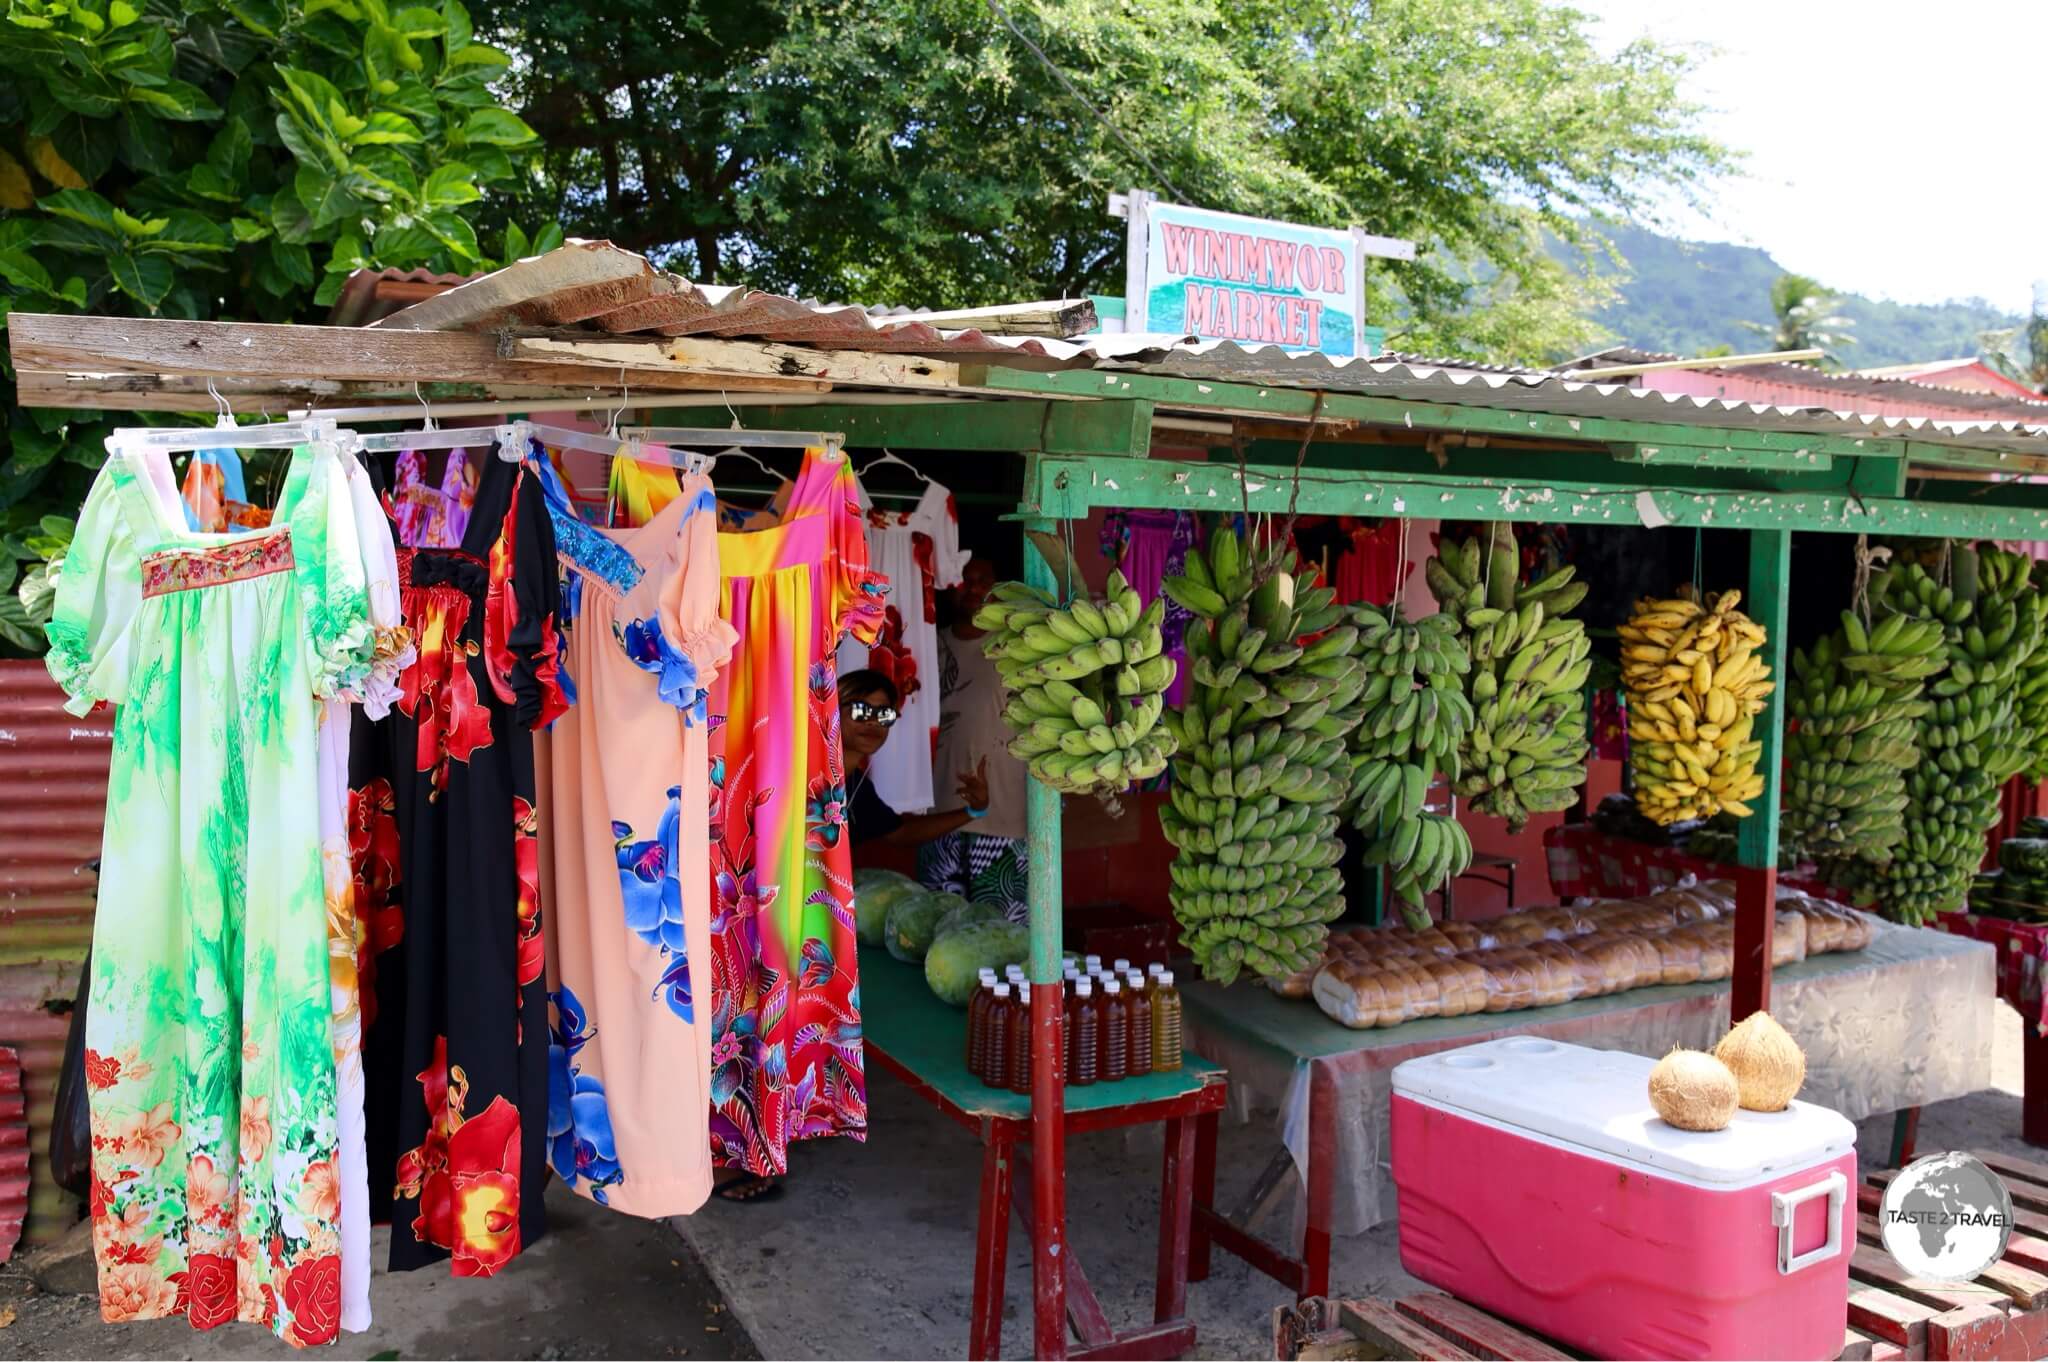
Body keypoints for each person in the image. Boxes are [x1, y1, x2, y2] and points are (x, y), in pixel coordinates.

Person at [923, 559, 1032, 920]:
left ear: (999, 590)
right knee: (940, 935)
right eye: (963, 580)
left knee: (1001, 937)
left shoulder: (1017, 648)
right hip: (938, 813)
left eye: (982, 581)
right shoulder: (927, 647)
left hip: (1003, 817)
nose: (972, 589)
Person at [840, 669, 991, 850]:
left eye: (884, 714)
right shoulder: (806, 772)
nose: (873, 721)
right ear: (833, 711)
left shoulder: (858, 785)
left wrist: (974, 810)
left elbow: (898, 832)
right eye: (861, 711)